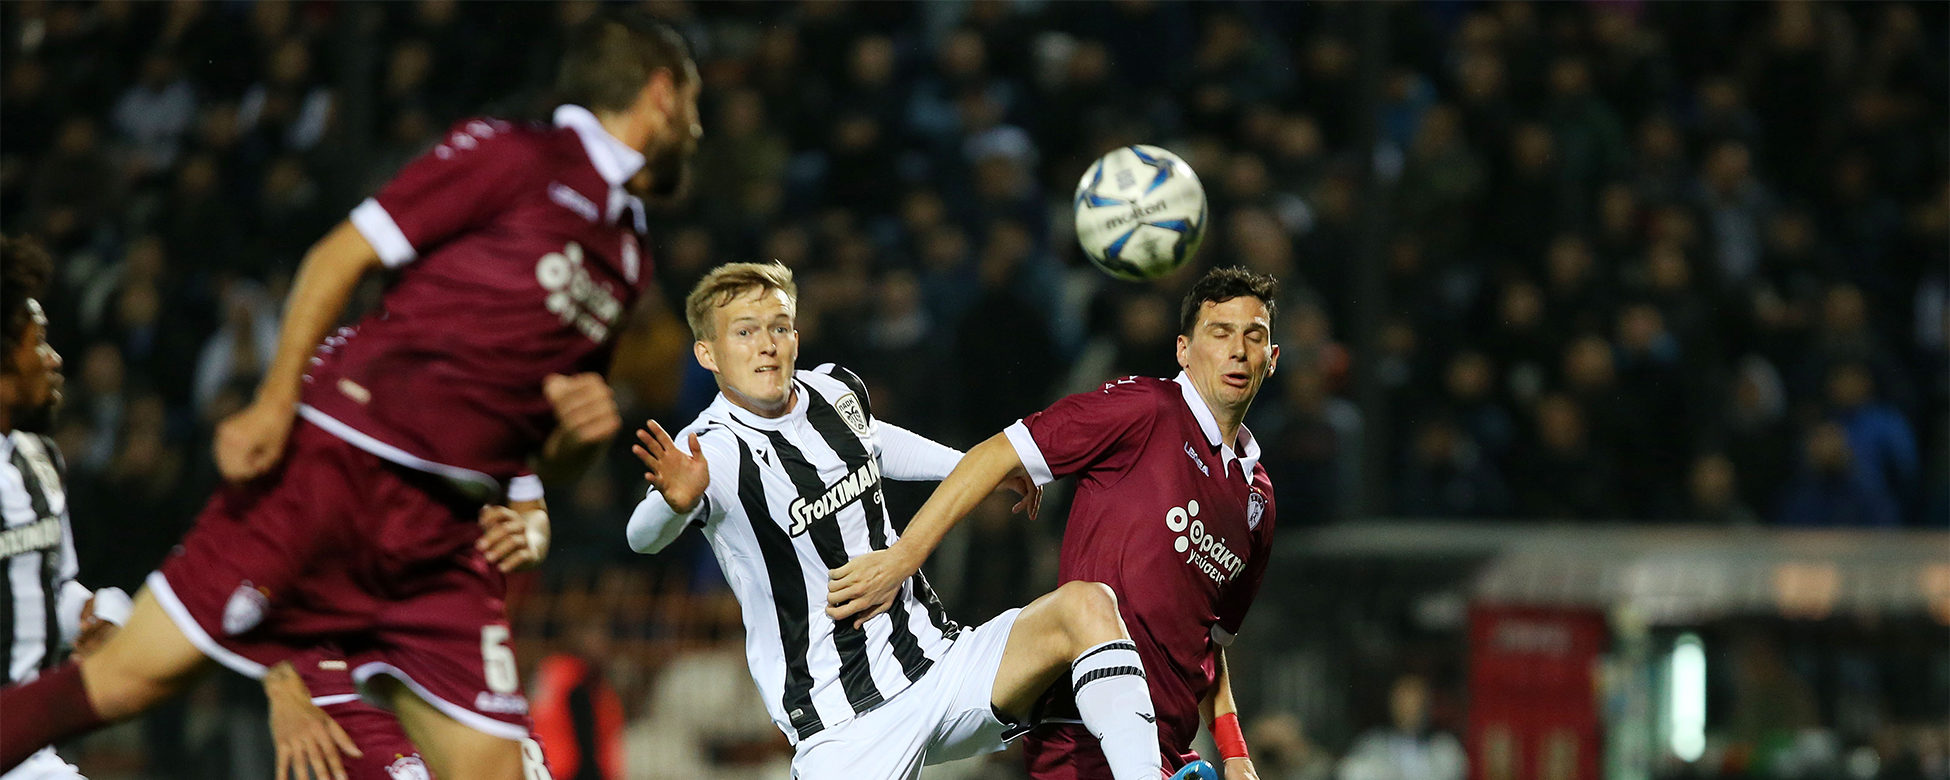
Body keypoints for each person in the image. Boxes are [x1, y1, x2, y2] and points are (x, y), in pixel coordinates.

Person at [0, 14, 702, 779]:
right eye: (694, 106)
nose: (697, 130)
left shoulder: (627, 253)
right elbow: (340, 255)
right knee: (125, 681)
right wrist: (274, 402)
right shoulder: (515, 154)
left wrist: (580, 440)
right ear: (661, 94)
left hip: (442, 540)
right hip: (342, 467)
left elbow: (543, 451)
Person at [626, 262, 1206, 780]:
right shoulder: (711, 449)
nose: (766, 346)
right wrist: (672, 504)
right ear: (708, 354)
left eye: (779, 327)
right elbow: (640, 538)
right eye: (745, 332)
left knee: (1088, 605)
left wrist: (975, 470)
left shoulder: (832, 389)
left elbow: (875, 442)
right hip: (845, 721)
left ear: (796, 336)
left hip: (942, 666)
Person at [828, 266, 1283, 779]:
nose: (1237, 350)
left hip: (1170, 751)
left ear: (1271, 359)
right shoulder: (1146, 409)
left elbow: (1210, 640)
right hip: (1081, 738)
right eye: (1220, 333)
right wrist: (902, 558)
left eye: (1253, 336)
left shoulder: (1258, 501)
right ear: (1184, 349)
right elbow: (996, 454)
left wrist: (1235, 750)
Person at [264, 500, 553, 780]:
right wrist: (284, 690)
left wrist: (529, 536)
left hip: (463, 666)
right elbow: (258, 561)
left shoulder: (477, 473)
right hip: (350, 684)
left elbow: (531, 511)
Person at [0, 235, 130, 780]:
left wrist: (97, 611)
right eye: (38, 342)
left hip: (29, 754)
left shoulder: (40, 461)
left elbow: (51, 585)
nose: (54, 359)